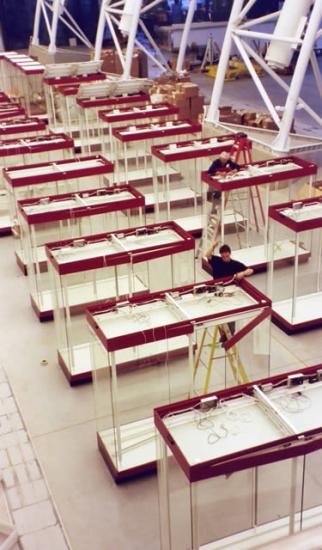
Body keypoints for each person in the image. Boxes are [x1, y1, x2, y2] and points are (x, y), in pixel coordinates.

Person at [204, 240, 254, 342]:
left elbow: (250, 270)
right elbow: (207, 255)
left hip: (229, 293)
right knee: (217, 315)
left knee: (230, 315)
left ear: (230, 254)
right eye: (223, 256)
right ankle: (224, 334)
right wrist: (213, 245)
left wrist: (243, 273)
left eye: (227, 256)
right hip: (217, 291)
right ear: (221, 255)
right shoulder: (216, 260)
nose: (225, 258)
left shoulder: (235, 264)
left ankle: (230, 335)